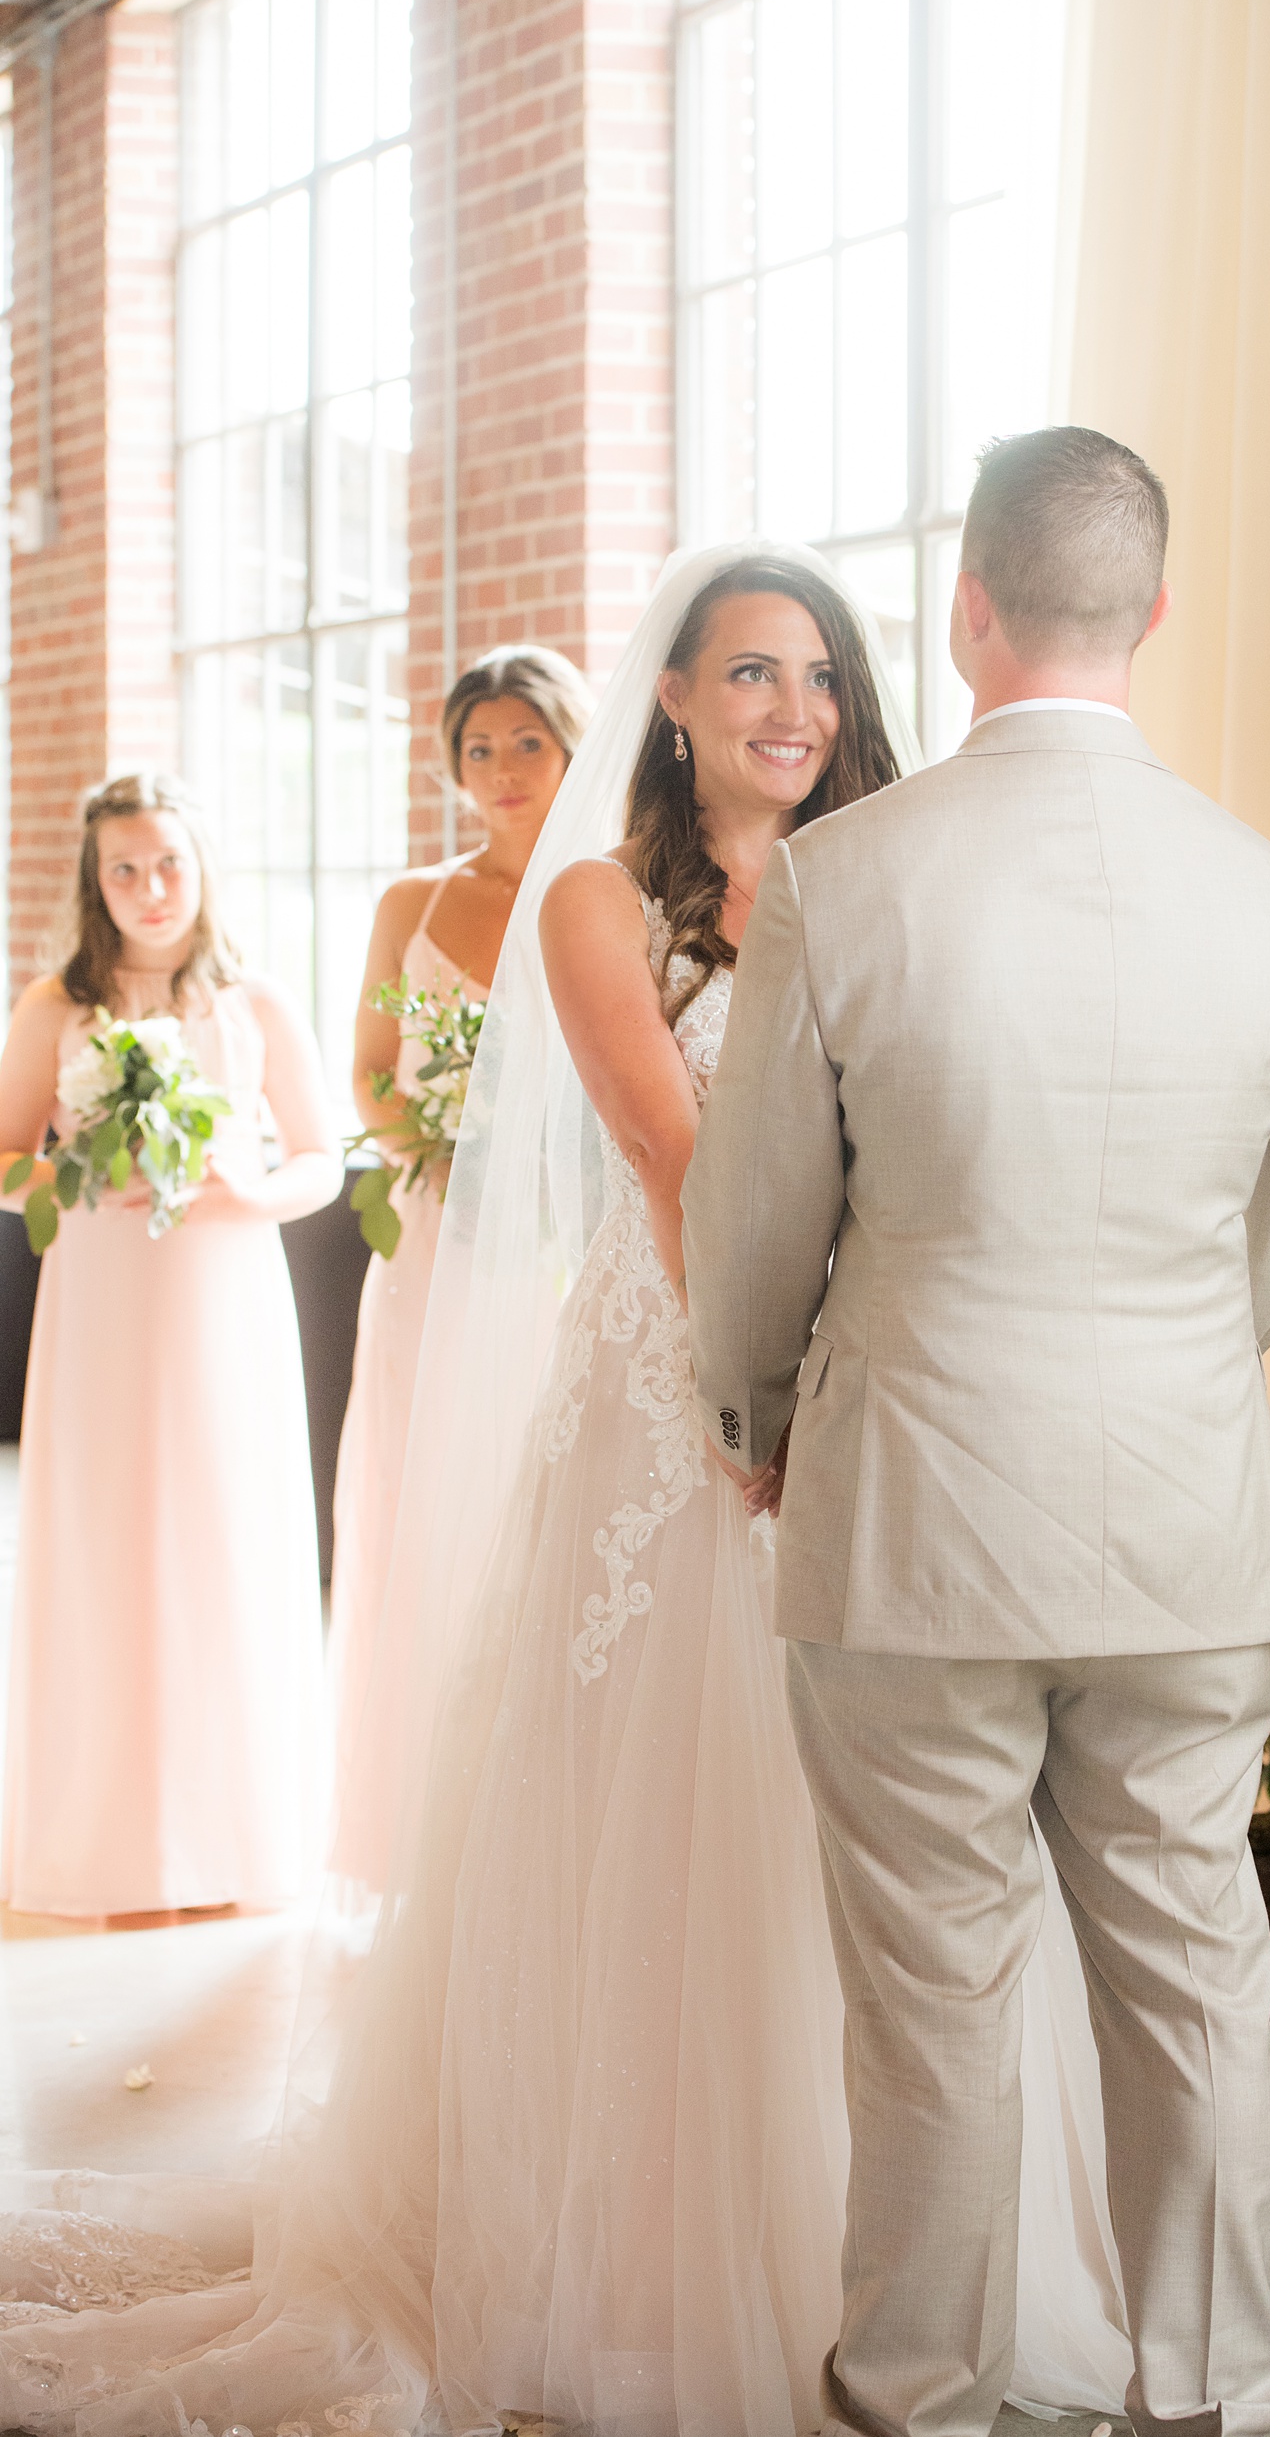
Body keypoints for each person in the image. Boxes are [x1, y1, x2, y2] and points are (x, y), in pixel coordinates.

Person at [0, 544, 1137, 2437]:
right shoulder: (601, 903)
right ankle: (636, 2253)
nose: (793, 710)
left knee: (885, 1847)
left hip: (894, 1417)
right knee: (669, 1809)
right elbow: (677, 1156)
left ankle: (905, 2256)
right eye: (752, 674)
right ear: (676, 697)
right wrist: (761, 1408)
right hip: (683, 1415)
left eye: (825, 679)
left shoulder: (906, 877)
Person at [684, 432, 1270, 2437]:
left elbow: (756, 1223)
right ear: (1153, 614)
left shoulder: (844, 879)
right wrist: (1157, 1388)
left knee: (936, 2003)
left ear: (967, 610)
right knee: (1192, 1982)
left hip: (914, 1529)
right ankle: (1213, 2395)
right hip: (1178, 1528)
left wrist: (765, 1411)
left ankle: (919, 2402)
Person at [0, 771, 340, 1920]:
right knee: (108, 1548)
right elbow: (3, 1159)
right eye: (125, 869)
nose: (151, 889)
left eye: (170, 864)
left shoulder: (253, 1002)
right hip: (101, 1301)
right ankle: (112, 1840)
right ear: (95, 882)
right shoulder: (55, 1002)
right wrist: (85, 1170)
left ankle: (233, 1838)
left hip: (223, 1293)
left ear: (204, 868)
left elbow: (321, 1160)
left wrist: (247, 1185)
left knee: (224, 1542)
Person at [327, 643, 590, 1894]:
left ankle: (548, 1815)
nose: (498, 771)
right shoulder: (412, 902)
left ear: (573, 744)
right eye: (476, 749)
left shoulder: (615, 888)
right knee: (422, 1502)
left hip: (564, 1243)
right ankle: (416, 1824)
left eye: (523, 743)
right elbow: (371, 1074)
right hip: (434, 1238)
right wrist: (446, 1146)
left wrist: (536, 1167)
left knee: (539, 1500)